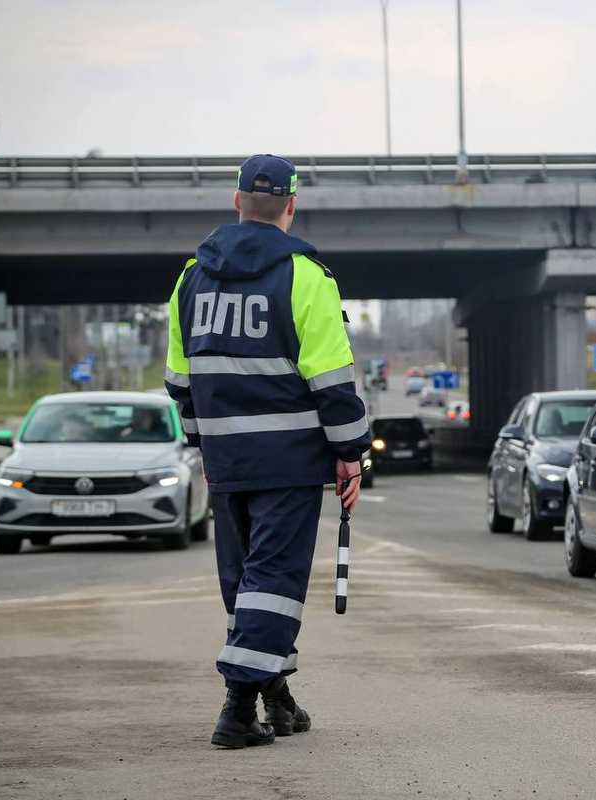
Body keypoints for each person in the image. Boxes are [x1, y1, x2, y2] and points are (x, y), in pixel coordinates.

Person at [164, 154, 370, 749]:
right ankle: (237, 707)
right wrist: (350, 452)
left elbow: (180, 381)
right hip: (288, 460)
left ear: (236, 202)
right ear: (290, 205)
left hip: (226, 461)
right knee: (273, 582)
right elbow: (332, 381)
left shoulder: (190, 278)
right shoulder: (306, 276)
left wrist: (203, 442)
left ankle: (276, 699)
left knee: (244, 581)